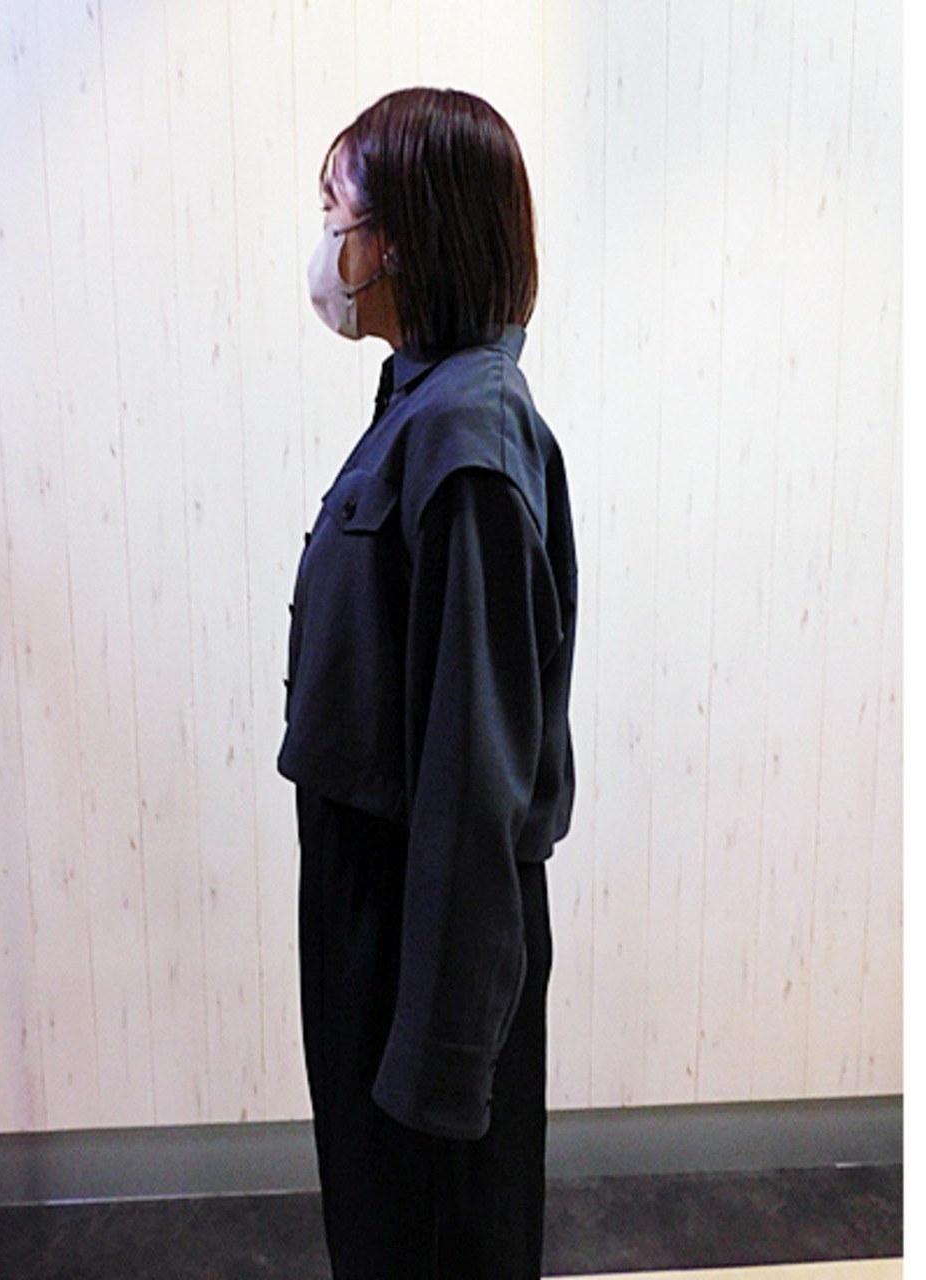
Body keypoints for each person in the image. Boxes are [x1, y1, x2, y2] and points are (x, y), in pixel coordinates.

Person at [278, 87, 577, 1280]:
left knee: (432, 1232)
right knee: (380, 1226)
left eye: (337, 213)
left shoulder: (468, 443)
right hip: (372, 904)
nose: (326, 246)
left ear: (400, 239)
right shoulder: (421, 401)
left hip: (421, 918)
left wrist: (441, 1054)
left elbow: (472, 772)